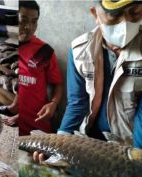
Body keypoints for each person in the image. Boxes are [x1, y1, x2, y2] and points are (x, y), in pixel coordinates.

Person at [33, 0, 142, 163]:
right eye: (114, 15)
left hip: (129, 142)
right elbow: (77, 103)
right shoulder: (80, 50)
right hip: (89, 139)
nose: (125, 24)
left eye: (134, 13)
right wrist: (60, 143)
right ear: (95, 15)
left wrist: (137, 156)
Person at [18, 0, 63, 136]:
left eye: (34, 21)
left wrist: (53, 103)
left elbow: (58, 84)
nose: (29, 27)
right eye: (23, 20)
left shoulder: (44, 51)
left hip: (36, 129)